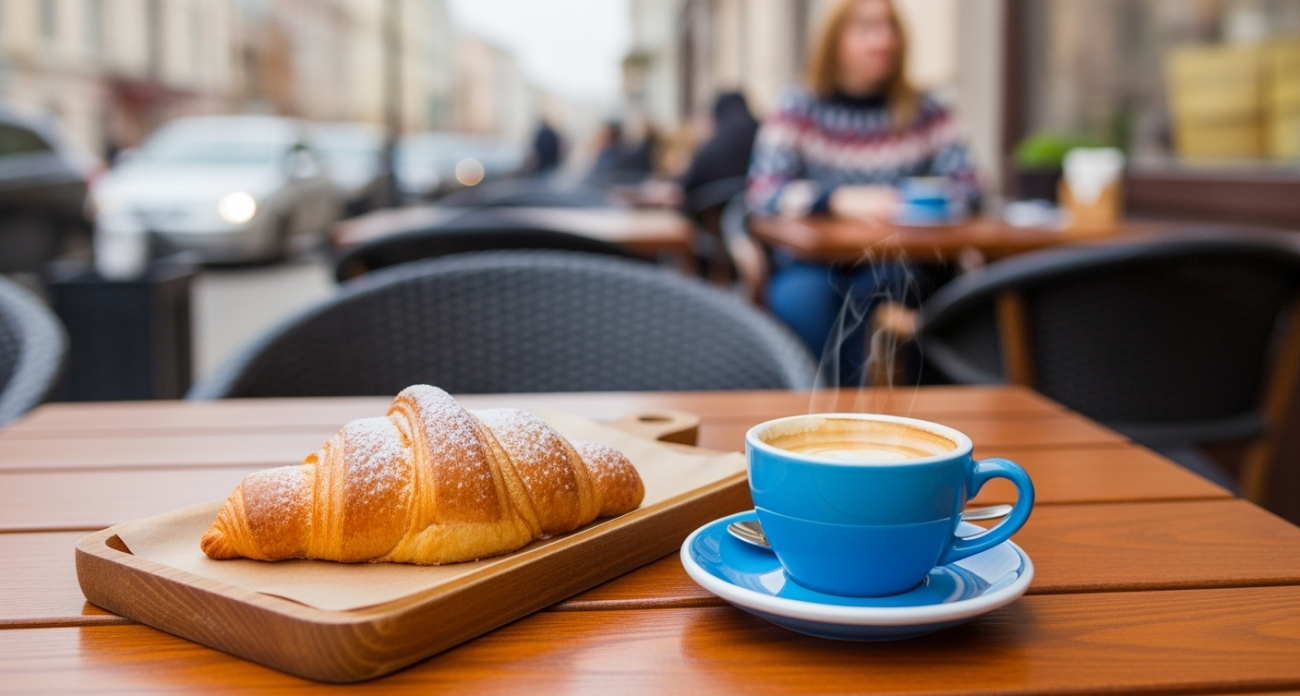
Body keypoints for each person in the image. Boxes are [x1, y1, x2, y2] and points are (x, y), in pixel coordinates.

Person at [746, 0, 980, 385]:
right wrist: (837, 200)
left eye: (890, 27)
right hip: (814, 263)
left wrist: (909, 201)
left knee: (885, 287)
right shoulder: (798, 107)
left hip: (902, 259)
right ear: (834, 39)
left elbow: (969, 189)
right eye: (867, 28)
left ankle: (870, 420)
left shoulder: (930, 110)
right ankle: (827, 418)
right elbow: (762, 191)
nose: (884, 41)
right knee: (803, 300)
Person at [679, 91, 760, 198]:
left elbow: (687, 182)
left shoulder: (717, 142)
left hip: (709, 209)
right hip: (748, 205)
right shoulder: (759, 130)